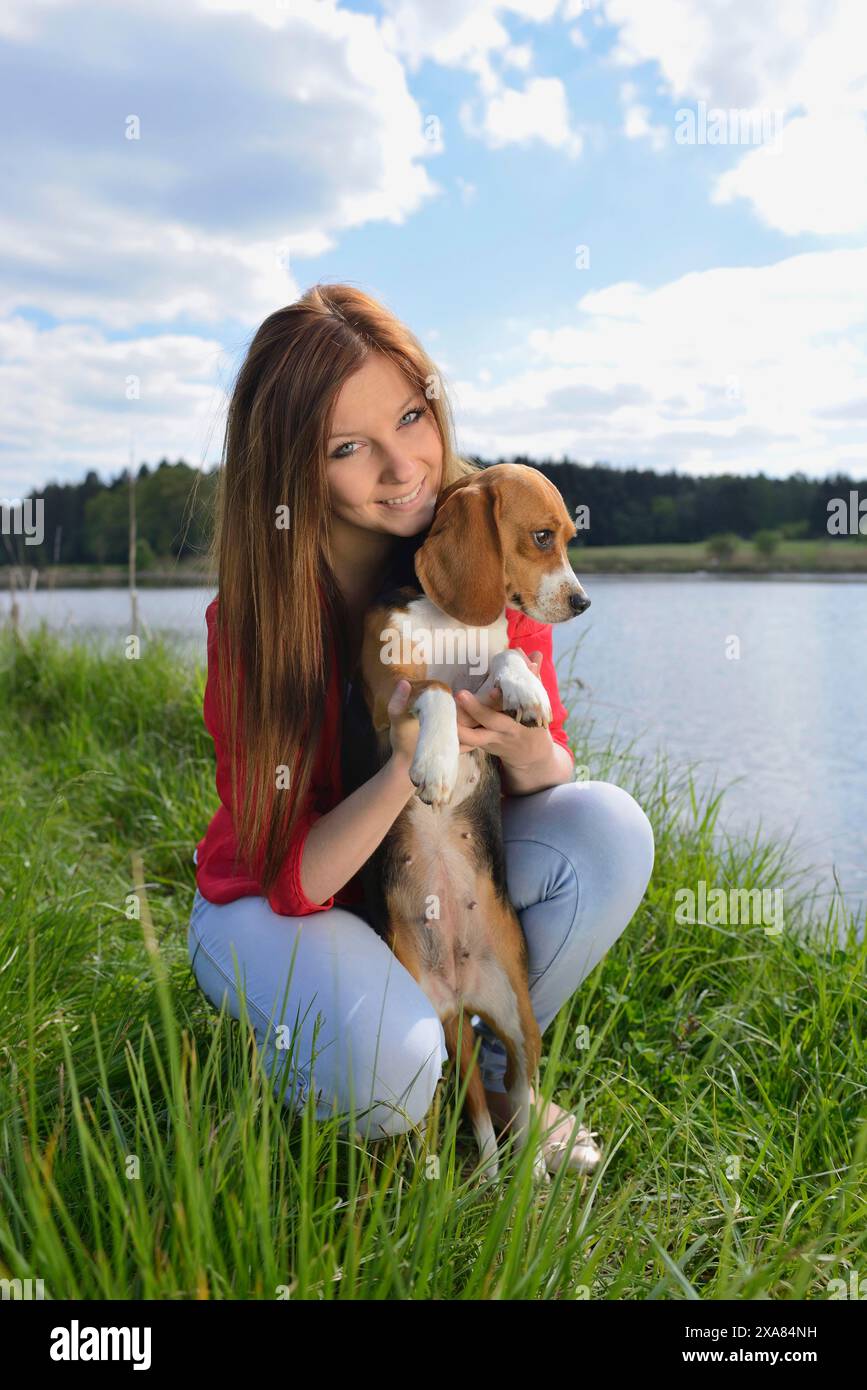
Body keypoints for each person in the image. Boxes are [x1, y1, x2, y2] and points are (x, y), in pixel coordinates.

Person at [188, 283, 654, 1175]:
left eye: (411, 416)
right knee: (389, 1067)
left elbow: (543, 779)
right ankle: (355, 1069)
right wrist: (409, 760)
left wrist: (523, 745)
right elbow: (296, 879)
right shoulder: (255, 621)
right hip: (273, 902)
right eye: (348, 448)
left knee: (605, 827)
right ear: (293, 470)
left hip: (413, 877)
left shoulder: (483, 545)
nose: (403, 467)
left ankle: (492, 1081)